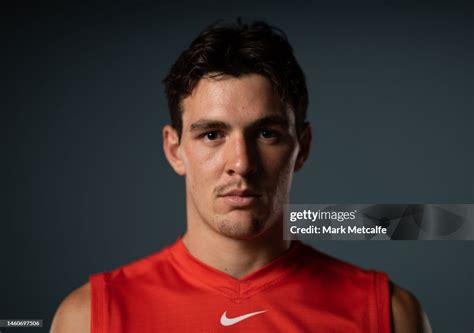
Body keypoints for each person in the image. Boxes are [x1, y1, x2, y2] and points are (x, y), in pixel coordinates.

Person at [51, 20, 432, 332]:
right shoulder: (89, 318)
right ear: (174, 149)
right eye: (212, 135)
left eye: (266, 134)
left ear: (303, 146)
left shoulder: (389, 315)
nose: (242, 163)